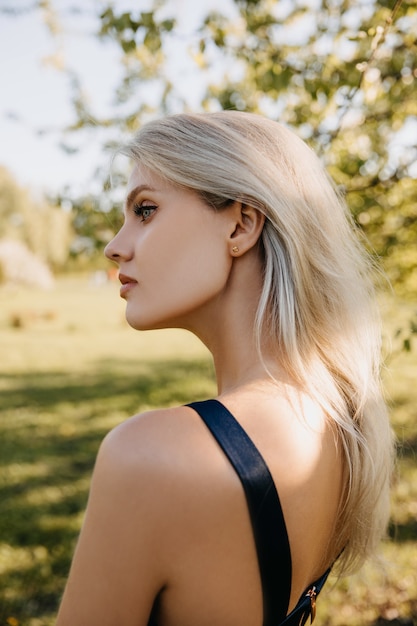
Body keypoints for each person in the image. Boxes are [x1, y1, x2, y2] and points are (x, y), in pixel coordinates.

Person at [55, 111, 393, 626]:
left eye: (145, 210)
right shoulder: (340, 420)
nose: (115, 245)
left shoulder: (148, 458)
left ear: (241, 224)